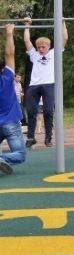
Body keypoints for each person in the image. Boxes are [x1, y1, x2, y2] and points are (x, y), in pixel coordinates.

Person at [23, 17, 68, 148]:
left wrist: (62, 22)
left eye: (43, 47)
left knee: (48, 112)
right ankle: (31, 137)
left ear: (48, 46)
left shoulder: (55, 53)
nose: (41, 49)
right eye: (39, 47)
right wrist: (27, 25)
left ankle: (48, 138)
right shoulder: (34, 55)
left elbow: (64, 38)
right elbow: (26, 40)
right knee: (31, 111)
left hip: (49, 84)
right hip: (34, 85)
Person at [0, 24, 26, 175]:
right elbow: (9, 53)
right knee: (20, 155)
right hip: (10, 124)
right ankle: (2, 159)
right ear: (2, 70)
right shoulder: (7, 78)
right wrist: (9, 33)